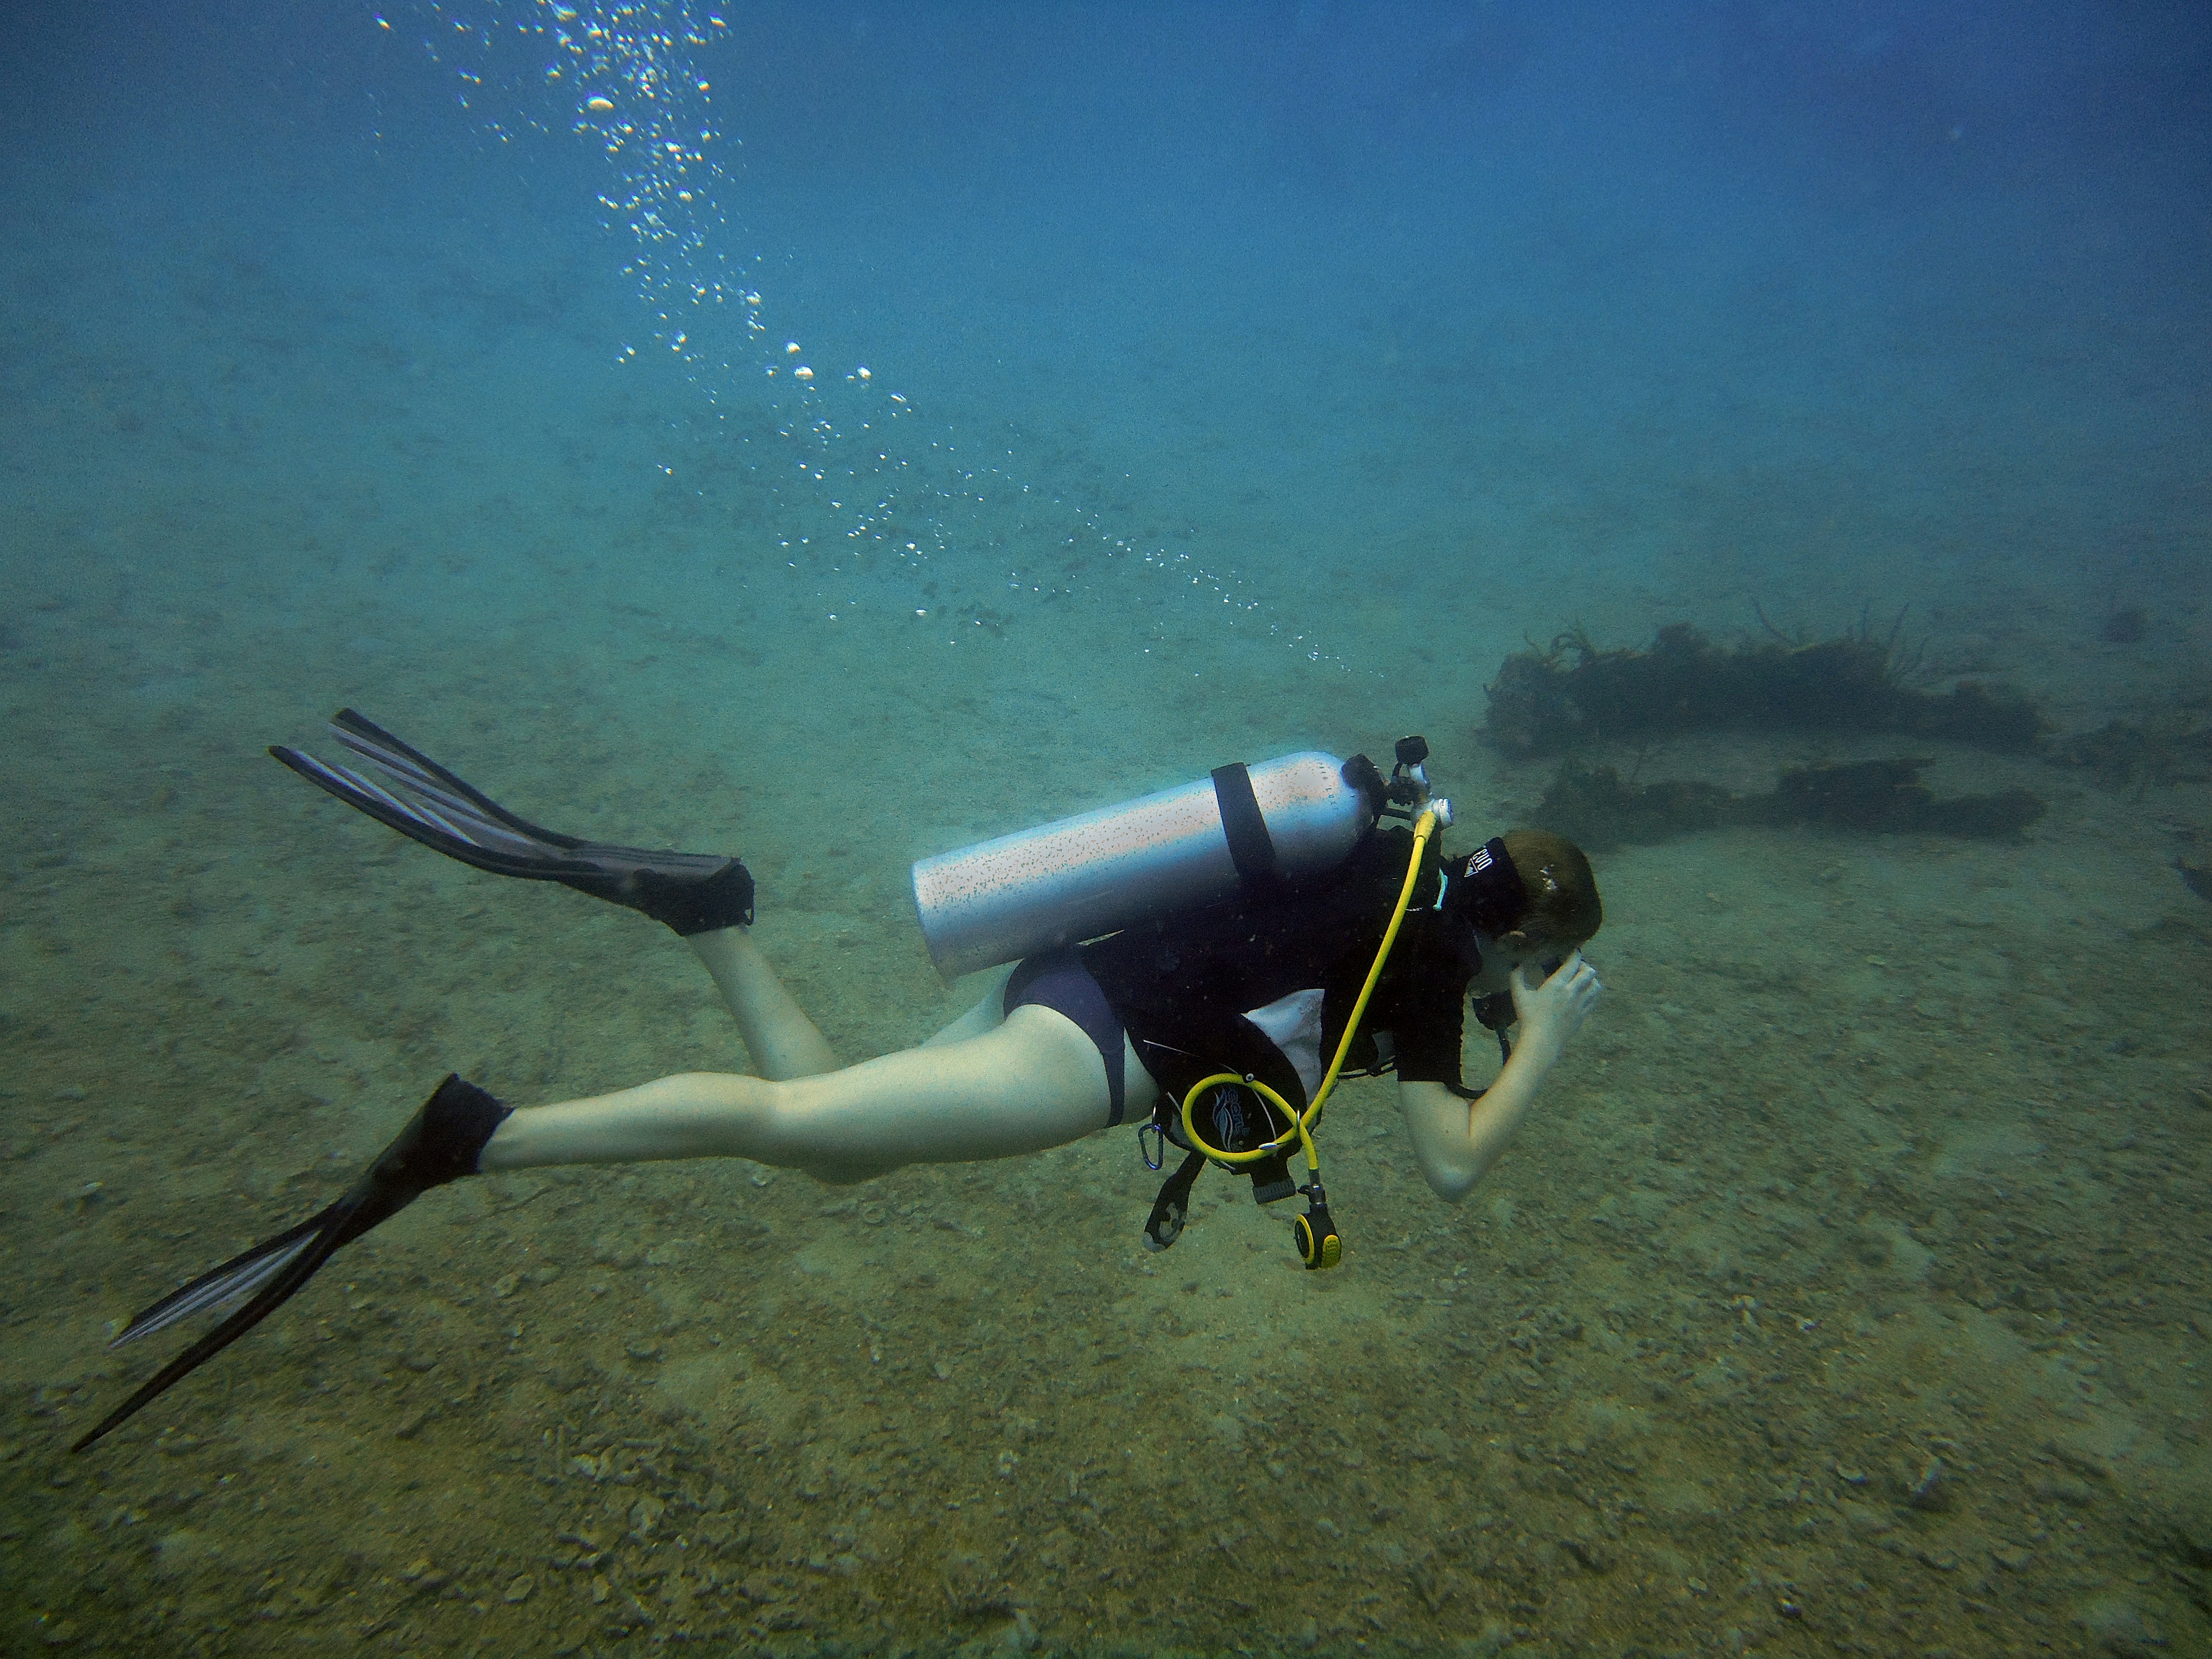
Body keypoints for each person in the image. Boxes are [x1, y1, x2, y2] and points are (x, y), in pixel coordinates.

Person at [72, 713, 1603, 1451]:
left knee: (836, 1151)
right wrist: (1539, 1045)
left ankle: (715, 918)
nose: (1494, 995)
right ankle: (484, 1137)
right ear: (1517, 935)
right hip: (1092, 1057)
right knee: (797, 1125)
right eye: (1516, 972)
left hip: (1067, 980)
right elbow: (1455, 1164)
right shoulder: (1424, 961)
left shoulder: (1376, 853)